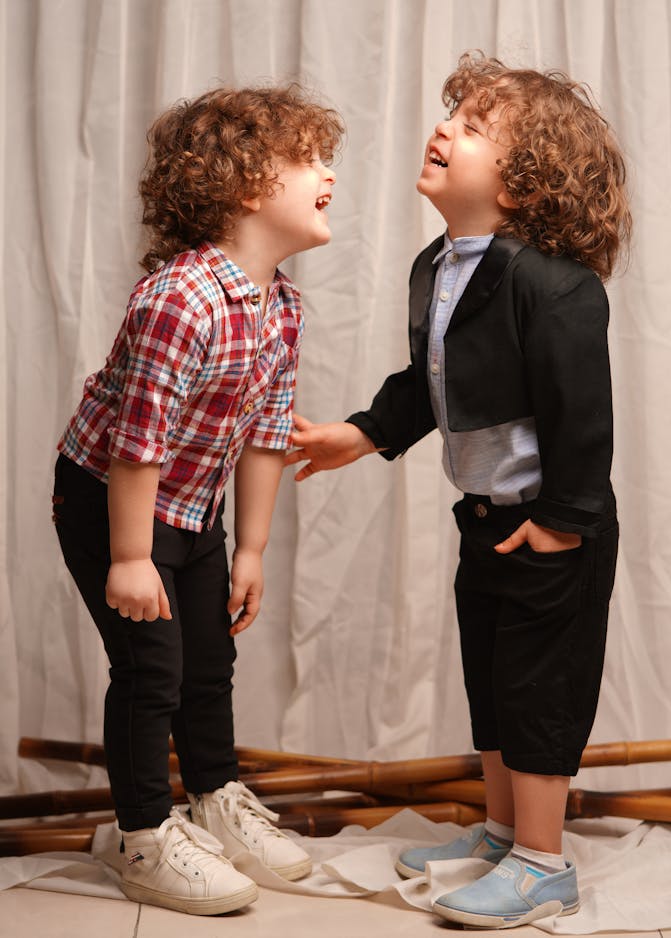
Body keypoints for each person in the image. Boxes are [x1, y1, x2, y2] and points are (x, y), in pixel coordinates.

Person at [285, 51, 631, 929]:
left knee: (541, 686)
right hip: (485, 519)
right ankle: (503, 831)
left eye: (472, 128)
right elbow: (429, 381)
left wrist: (561, 524)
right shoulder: (441, 265)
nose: (444, 128)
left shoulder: (552, 286)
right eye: (451, 115)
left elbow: (584, 416)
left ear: (522, 184)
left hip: (553, 528)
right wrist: (360, 433)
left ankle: (544, 865)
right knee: (491, 676)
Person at [52, 84, 343, 916]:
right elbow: (134, 445)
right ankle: (143, 835)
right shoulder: (180, 299)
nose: (330, 175)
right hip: (111, 496)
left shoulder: (281, 306)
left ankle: (215, 798)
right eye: (310, 160)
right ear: (248, 185)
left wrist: (247, 550)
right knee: (152, 668)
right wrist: (132, 557)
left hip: (192, 506)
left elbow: (265, 435)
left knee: (209, 660)